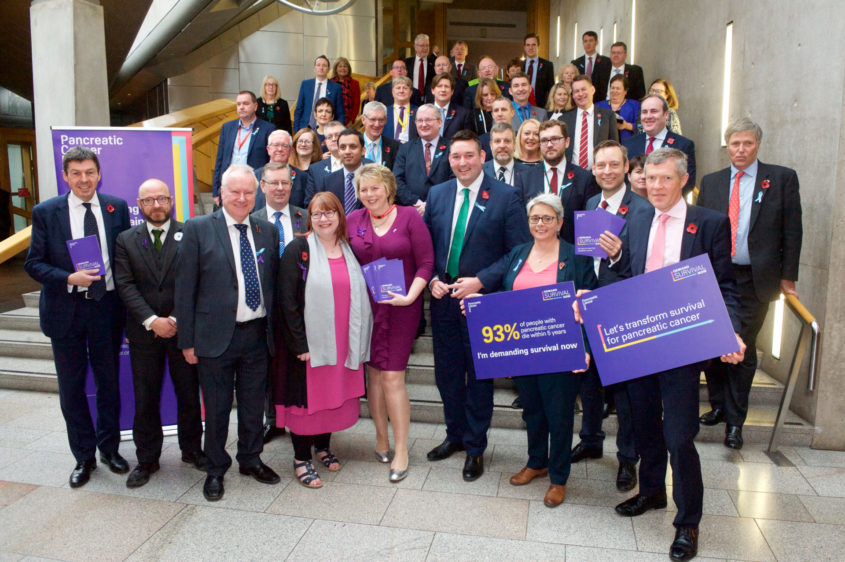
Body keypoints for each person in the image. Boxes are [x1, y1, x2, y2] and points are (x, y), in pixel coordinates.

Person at [610, 148, 746, 561]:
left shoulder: (709, 223)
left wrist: (732, 332)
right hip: (639, 342)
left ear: (683, 179)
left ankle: (688, 521)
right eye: (650, 179)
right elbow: (625, 276)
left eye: (665, 179)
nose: (656, 187)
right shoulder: (635, 218)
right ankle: (651, 492)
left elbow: (726, 285)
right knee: (646, 427)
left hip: (683, 345)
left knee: (678, 436)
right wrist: (598, 292)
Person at [465, 193, 596, 507]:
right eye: (535, 218)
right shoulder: (518, 253)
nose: (541, 223)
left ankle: (559, 477)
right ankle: (536, 461)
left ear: (560, 222)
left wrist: (586, 348)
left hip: (562, 350)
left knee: (559, 415)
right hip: (523, 351)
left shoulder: (576, 256)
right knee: (533, 411)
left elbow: (591, 303)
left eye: (547, 218)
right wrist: (481, 309)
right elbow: (505, 298)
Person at [423, 130, 530, 481]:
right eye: (456, 156)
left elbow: (517, 251)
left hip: (482, 303)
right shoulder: (437, 194)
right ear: (449, 159)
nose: (462, 162)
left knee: (479, 377)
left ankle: (475, 446)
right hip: (443, 300)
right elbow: (428, 247)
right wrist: (434, 278)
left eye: (469, 155)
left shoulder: (507, 196)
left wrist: (481, 281)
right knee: (447, 374)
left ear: (481, 156)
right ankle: (454, 435)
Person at [25, 146, 131, 488]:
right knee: (71, 389)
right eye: (76, 173)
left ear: (99, 174)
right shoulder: (46, 212)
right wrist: (69, 278)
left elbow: (126, 257)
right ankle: (83, 457)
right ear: (66, 176)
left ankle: (109, 449)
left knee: (108, 384)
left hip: (106, 308)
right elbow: (33, 263)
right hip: (65, 309)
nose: (84, 179)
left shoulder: (117, 207)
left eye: (89, 172)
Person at [175, 164, 281, 502]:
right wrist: (187, 341)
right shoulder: (198, 228)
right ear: (220, 193)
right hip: (214, 337)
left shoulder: (267, 230)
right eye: (235, 192)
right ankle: (215, 469)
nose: (242, 198)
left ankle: (250, 459)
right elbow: (185, 288)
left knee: (252, 405)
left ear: (257, 192)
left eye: (249, 192)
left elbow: (273, 285)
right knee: (218, 408)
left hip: (256, 336)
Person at [697, 118, 803, 449]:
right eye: (734, 143)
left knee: (742, 346)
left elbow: (792, 230)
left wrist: (788, 277)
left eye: (747, 143)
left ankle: (735, 421)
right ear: (726, 146)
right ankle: (717, 406)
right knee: (713, 343)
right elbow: (700, 230)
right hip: (715, 275)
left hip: (755, 278)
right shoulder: (711, 182)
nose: (740, 149)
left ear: (757, 145)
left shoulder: (781, 179)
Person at [570, 140, 653, 492]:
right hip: (589, 308)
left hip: (623, 311)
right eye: (600, 165)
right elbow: (589, 262)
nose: (607, 171)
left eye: (613, 165)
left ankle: (627, 458)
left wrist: (618, 256)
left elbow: (645, 270)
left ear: (625, 168)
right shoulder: (591, 204)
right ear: (594, 169)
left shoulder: (642, 210)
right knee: (589, 381)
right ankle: (590, 439)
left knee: (624, 392)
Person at [277, 192, 373, 488]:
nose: (324, 218)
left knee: (331, 396)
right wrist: (299, 345)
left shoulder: (348, 249)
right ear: (310, 218)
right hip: (311, 345)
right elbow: (287, 301)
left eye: (330, 212)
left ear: (340, 216)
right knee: (309, 402)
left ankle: (322, 447)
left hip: (343, 341)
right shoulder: (299, 249)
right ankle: (301, 458)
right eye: (317, 213)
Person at [114, 179, 205, 488]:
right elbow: (125, 285)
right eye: (149, 200)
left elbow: (195, 279)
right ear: (139, 206)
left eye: (162, 199)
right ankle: (147, 459)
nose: (156, 205)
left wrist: (176, 318)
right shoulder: (126, 239)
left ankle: (192, 450)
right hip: (144, 334)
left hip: (183, 332)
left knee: (189, 396)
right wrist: (152, 320)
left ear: (171, 201)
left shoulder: (190, 233)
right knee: (146, 398)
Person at [346, 164, 434, 481]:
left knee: (392, 377)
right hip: (366, 310)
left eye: (375, 188)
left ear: (388, 188)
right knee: (373, 375)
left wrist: (411, 297)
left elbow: (426, 262)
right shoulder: (352, 221)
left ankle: (401, 449)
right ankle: (381, 437)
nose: (369, 194)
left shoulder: (410, 217)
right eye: (363, 189)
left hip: (401, 308)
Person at [251, 163, 308, 444]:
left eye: (285, 183)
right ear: (262, 186)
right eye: (273, 183)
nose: (280, 188)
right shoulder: (251, 219)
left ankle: (298, 417)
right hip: (262, 305)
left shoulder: (306, 217)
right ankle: (272, 420)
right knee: (266, 365)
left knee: (293, 365)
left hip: (300, 307)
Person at [514, 120, 598, 243]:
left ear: (567, 142)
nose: (549, 145)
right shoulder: (524, 178)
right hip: (536, 253)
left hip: (572, 254)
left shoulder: (584, 179)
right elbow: (519, 223)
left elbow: (589, 226)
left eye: (555, 139)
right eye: (544, 140)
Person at [623, 94, 696, 194]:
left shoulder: (683, 145)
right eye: (644, 112)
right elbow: (623, 179)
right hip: (635, 206)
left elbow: (688, 183)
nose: (648, 116)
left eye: (654, 111)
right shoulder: (628, 144)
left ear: (666, 114)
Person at [211, 91, 272, 208]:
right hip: (229, 186)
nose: (241, 107)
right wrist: (215, 191)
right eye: (238, 104)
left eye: (245, 103)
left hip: (252, 188)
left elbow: (269, 162)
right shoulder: (227, 127)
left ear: (255, 106)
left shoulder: (267, 129)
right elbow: (219, 160)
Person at [394, 104, 454, 211]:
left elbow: (454, 180)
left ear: (440, 122)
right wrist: (416, 202)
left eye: (428, 120)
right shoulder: (405, 149)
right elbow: (397, 181)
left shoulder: (452, 148)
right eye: (419, 120)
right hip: (412, 211)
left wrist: (430, 204)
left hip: (443, 209)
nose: (424, 124)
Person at [561, 75, 619, 170]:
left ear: (592, 90)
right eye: (576, 91)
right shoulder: (564, 119)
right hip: (572, 174)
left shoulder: (607, 116)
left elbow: (615, 147)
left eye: (583, 89)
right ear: (573, 95)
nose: (580, 94)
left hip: (600, 173)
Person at [305, 129, 368, 214]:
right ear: (338, 151)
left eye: (353, 147)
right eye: (343, 147)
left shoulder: (375, 177)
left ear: (363, 150)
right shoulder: (328, 181)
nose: (347, 151)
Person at [254, 129, 313, 210]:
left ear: (291, 151)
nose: (280, 149)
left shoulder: (303, 178)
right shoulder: (254, 177)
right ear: (268, 149)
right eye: (276, 145)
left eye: (285, 146)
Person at [294, 55, 345, 132]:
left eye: (324, 65)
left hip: (327, 130)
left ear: (328, 69)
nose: (321, 68)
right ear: (314, 68)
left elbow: (340, 113)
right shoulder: (305, 85)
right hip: (305, 128)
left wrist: (337, 131)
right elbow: (299, 109)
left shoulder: (336, 88)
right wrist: (296, 130)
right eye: (318, 65)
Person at [482, 122, 529, 187]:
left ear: (514, 144)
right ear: (491, 145)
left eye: (507, 141)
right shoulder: (480, 172)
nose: (502, 145)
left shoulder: (528, 173)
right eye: (497, 141)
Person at [429, 72, 473, 140]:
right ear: (432, 90)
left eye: (446, 86)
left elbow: (467, 139)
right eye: (439, 86)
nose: (443, 90)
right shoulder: (423, 112)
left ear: (452, 91)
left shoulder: (463, 114)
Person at [596, 75, 640, 141]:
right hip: (604, 144)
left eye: (618, 88)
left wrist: (626, 126)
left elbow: (642, 126)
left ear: (625, 91)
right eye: (612, 88)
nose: (614, 91)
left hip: (628, 145)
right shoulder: (599, 106)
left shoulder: (635, 105)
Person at [571, 31, 611, 101]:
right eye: (585, 41)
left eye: (591, 41)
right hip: (581, 100)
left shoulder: (606, 62)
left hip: (600, 100)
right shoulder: (576, 63)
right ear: (583, 43)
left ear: (596, 42)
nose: (588, 44)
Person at [361, 101, 401, 169]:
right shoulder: (354, 145)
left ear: (385, 120)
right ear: (363, 120)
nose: (377, 124)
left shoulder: (395, 147)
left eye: (381, 120)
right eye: (372, 119)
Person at [522, 33, 555, 108]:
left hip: (540, 106)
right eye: (528, 45)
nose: (531, 48)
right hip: (521, 104)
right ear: (524, 47)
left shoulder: (547, 65)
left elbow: (551, 88)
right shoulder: (520, 65)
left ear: (538, 46)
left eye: (533, 45)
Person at [384, 76, 418, 144]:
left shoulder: (418, 112)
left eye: (405, 88)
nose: (401, 91)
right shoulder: (384, 112)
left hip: (411, 151)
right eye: (398, 88)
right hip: (389, 151)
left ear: (411, 92)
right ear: (393, 92)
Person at [405, 33, 437, 99]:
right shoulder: (407, 62)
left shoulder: (434, 63)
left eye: (427, 45)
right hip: (410, 98)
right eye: (422, 45)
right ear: (415, 47)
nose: (425, 48)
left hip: (428, 99)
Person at [330, 57, 360, 126]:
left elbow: (356, 104)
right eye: (340, 66)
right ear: (336, 69)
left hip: (347, 121)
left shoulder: (355, 83)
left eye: (345, 66)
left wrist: (351, 120)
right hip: (332, 119)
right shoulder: (330, 82)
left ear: (348, 69)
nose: (343, 68)